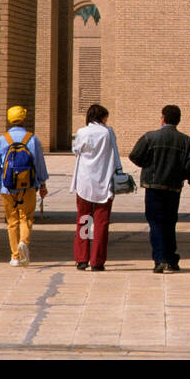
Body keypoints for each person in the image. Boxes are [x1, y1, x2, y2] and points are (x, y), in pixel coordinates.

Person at [129, 104, 190, 273]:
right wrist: (183, 175)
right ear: (178, 120)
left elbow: (135, 156)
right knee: (169, 223)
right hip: (173, 188)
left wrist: (149, 166)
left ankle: (159, 258)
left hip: (153, 187)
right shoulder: (185, 141)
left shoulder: (150, 137)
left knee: (156, 223)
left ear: (162, 118)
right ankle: (171, 259)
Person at [0, 105, 49, 266]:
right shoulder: (31, 139)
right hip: (28, 186)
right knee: (25, 217)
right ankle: (24, 243)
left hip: (8, 187)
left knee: (12, 220)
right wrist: (42, 184)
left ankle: (14, 256)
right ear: (24, 119)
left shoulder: (2, 139)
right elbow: (39, 163)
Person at [71, 103, 119, 271]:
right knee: (101, 223)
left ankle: (82, 258)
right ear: (102, 117)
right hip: (104, 181)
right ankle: (97, 261)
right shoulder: (108, 132)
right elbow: (115, 153)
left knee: (84, 220)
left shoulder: (82, 132)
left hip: (84, 182)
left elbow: (76, 150)